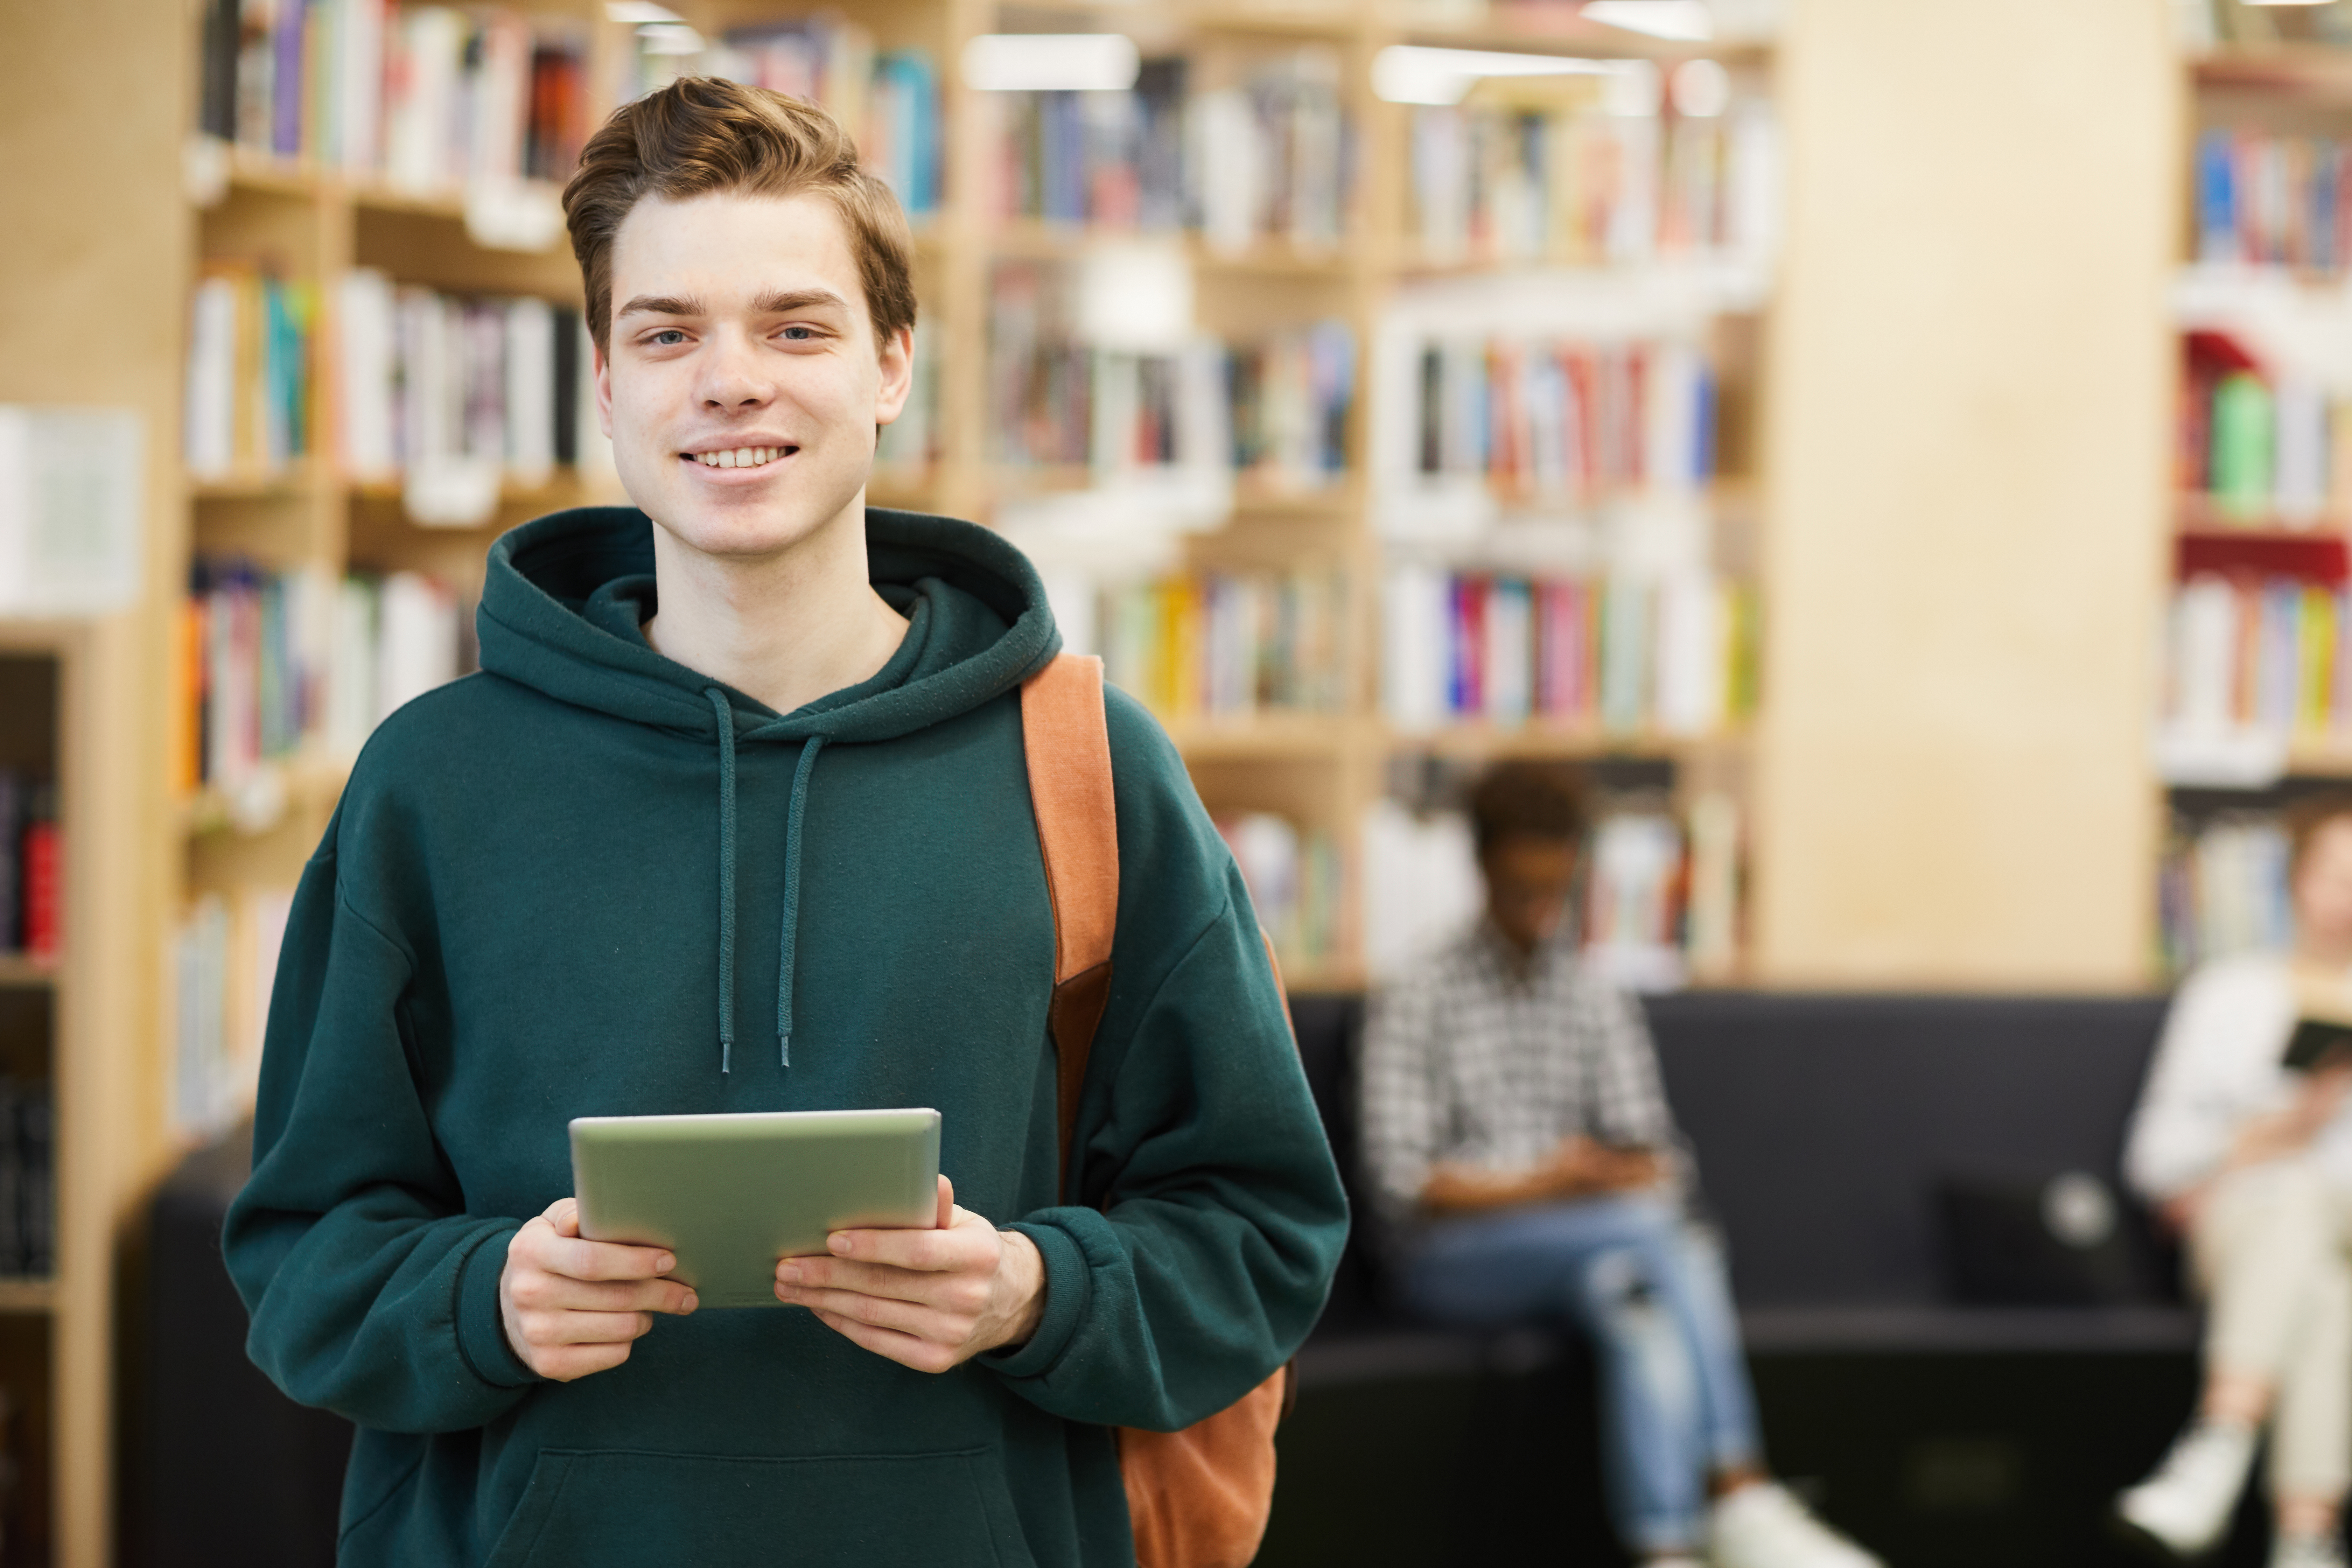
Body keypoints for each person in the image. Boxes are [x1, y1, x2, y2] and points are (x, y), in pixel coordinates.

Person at [220, 78, 1346, 1566]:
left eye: (794, 327)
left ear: (891, 365)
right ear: (607, 382)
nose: (729, 380)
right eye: (668, 330)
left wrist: (1032, 1290)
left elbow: (1261, 1231)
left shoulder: (1088, 765)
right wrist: (479, 1300)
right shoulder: (433, 783)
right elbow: (301, 1259)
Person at [1359, 762, 1882, 1568]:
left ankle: (1665, 1546)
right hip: (1449, 1262)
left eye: (1555, 888)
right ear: (1483, 868)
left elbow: (1660, 1159)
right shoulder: (1417, 991)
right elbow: (1404, 1184)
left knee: (1634, 1303)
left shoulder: (1595, 992)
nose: (1540, 909)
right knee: (1665, 1238)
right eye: (1520, 887)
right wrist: (1551, 1180)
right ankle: (1740, 1487)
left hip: (1597, 1245)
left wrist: (1599, 1175)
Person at [2117, 794, 2352, 1568]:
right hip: (2239, 1230)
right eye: (2331, 875)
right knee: (2302, 1220)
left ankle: (2219, 1445)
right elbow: (2156, 1162)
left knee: (2327, 1263)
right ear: (2294, 882)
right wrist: (2282, 1130)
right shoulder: (2229, 994)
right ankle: (2307, 1537)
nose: (2345, 898)